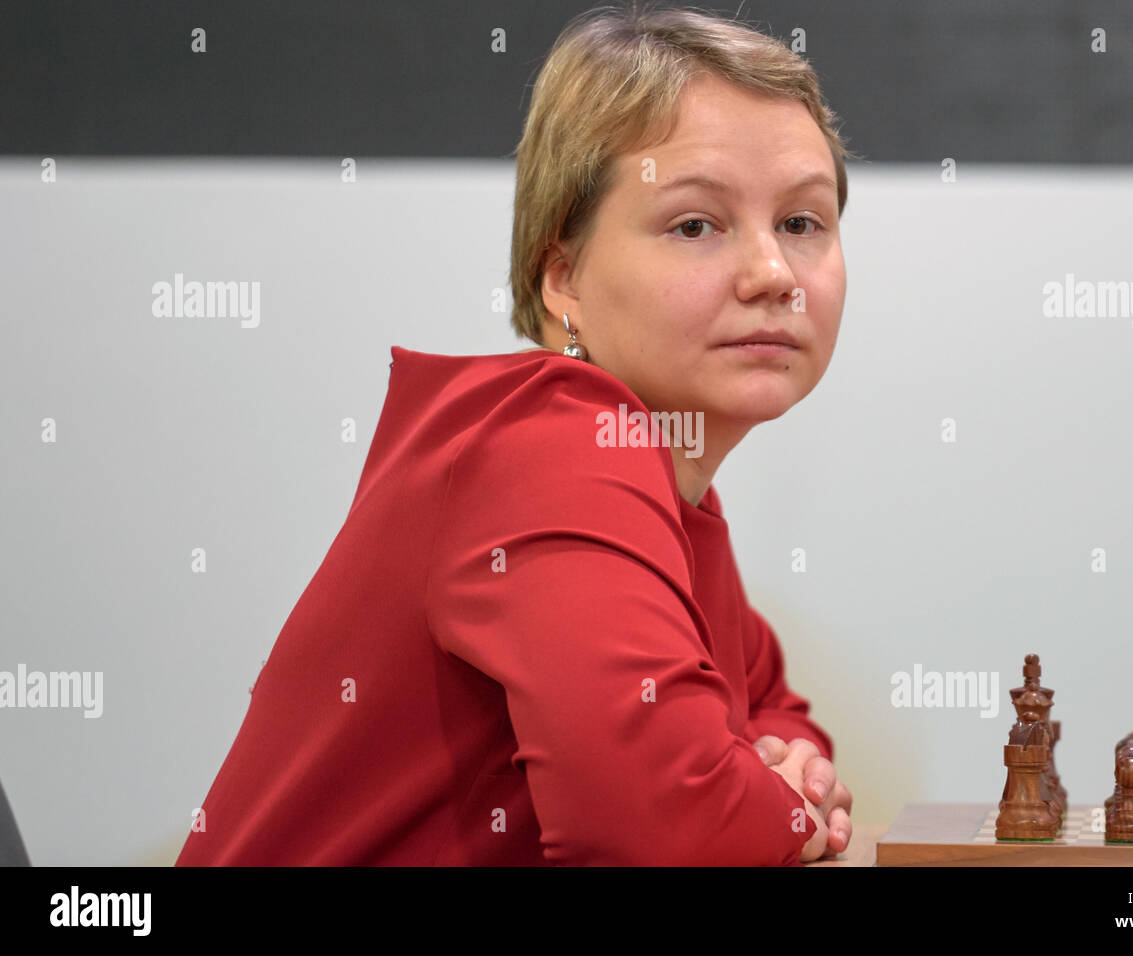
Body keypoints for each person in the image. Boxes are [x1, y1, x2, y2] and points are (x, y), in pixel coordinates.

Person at [176, 1, 855, 866]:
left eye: (802, 223)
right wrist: (786, 802)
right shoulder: (555, 446)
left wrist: (790, 774)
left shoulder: (670, 484)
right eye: (696, 225)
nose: (772, 275)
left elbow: (773, 711)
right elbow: (664, 836)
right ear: (561, 274)